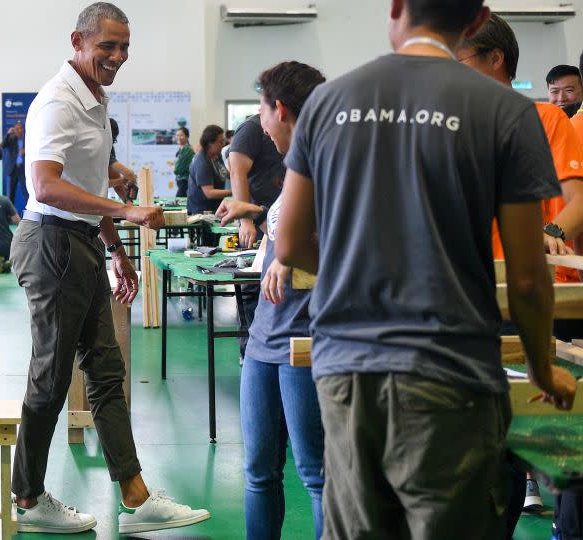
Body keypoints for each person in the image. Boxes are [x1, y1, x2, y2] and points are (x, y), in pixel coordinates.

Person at [274, 1, 576, 538]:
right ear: (479, 19)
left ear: (395, 8)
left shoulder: (328, 101)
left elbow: (293, 240)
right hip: (451, 370)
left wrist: (362, 270)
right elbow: (528, 276)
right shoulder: (505, 111)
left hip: (348, 366)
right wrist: (539, 365)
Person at [11, 3, 209, 535]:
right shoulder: (58, 101)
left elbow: (89, 183)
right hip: (51, 244)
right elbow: (46, 187)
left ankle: (135, 495)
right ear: (78, 41)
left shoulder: (95, 97)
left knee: (105, 372)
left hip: (79, 245)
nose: (118, 57)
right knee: (52, 378)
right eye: (107, 46)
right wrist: (125, 210)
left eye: (124, 48)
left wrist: (117, 250)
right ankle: (26, 498)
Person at [456, 15, 583, 520]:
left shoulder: (545, 119)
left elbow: (576, 199)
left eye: (462, 61)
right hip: (479, 299)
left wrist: (551, 233)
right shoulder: (455, 125)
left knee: (558, 443)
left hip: (542, 297)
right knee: (493, 453)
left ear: (496, 59)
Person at [216, 61, 327, 540]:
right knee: (259, 469)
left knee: (316, 472)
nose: (260, 124)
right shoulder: (295, 166)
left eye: (260, 112)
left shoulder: (329, 161)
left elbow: (348, 241)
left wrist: (289, 254)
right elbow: (291, 226)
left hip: (306, 336)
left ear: (278, 109)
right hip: (264, 335)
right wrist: (259, 216)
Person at [228, 96, 288, 361]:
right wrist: (246, 220)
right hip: (261, 219)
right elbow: (237, 171)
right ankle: (249, 350)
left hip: (280, 218)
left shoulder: (295, 133)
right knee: (253, 285)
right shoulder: (252, 129)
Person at [186, 125, 231, 216]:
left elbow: (225, 173)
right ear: (210, 143)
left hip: (214, 206)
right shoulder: (202, 162)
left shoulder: (216, 156)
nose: (223, 144)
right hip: (201, 210)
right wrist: (234, 191)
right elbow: (209, 193)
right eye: (220, 142)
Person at [107, 117, 137, 199]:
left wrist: (128, 201)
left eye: (113, 140)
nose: (111, 143)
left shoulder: (109, 146)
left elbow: (115, 178)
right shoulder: (98, 148)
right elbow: (128, 173)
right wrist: (123, 180)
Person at [2, 120, 27, 206]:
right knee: (10, 195)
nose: (19, 130)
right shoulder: (11, 138)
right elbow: (2, 145)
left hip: (23, 170)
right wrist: (8, 134)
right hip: (12, 170)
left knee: (27, 194)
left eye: (21, 128)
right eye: (17, 128)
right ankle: (10, 217)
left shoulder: (29, 139)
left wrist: (28, 151)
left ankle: (29, 215)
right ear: (14, 129)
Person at [172, 127, 194, 198]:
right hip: (181, 182)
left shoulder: (187, 150)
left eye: (181, 135)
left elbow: (177, 170)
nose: (179, 137)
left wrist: (173, 167)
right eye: (177, 135)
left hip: (185, 182)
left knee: (178, 203)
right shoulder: (181, 150)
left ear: (187, 137)